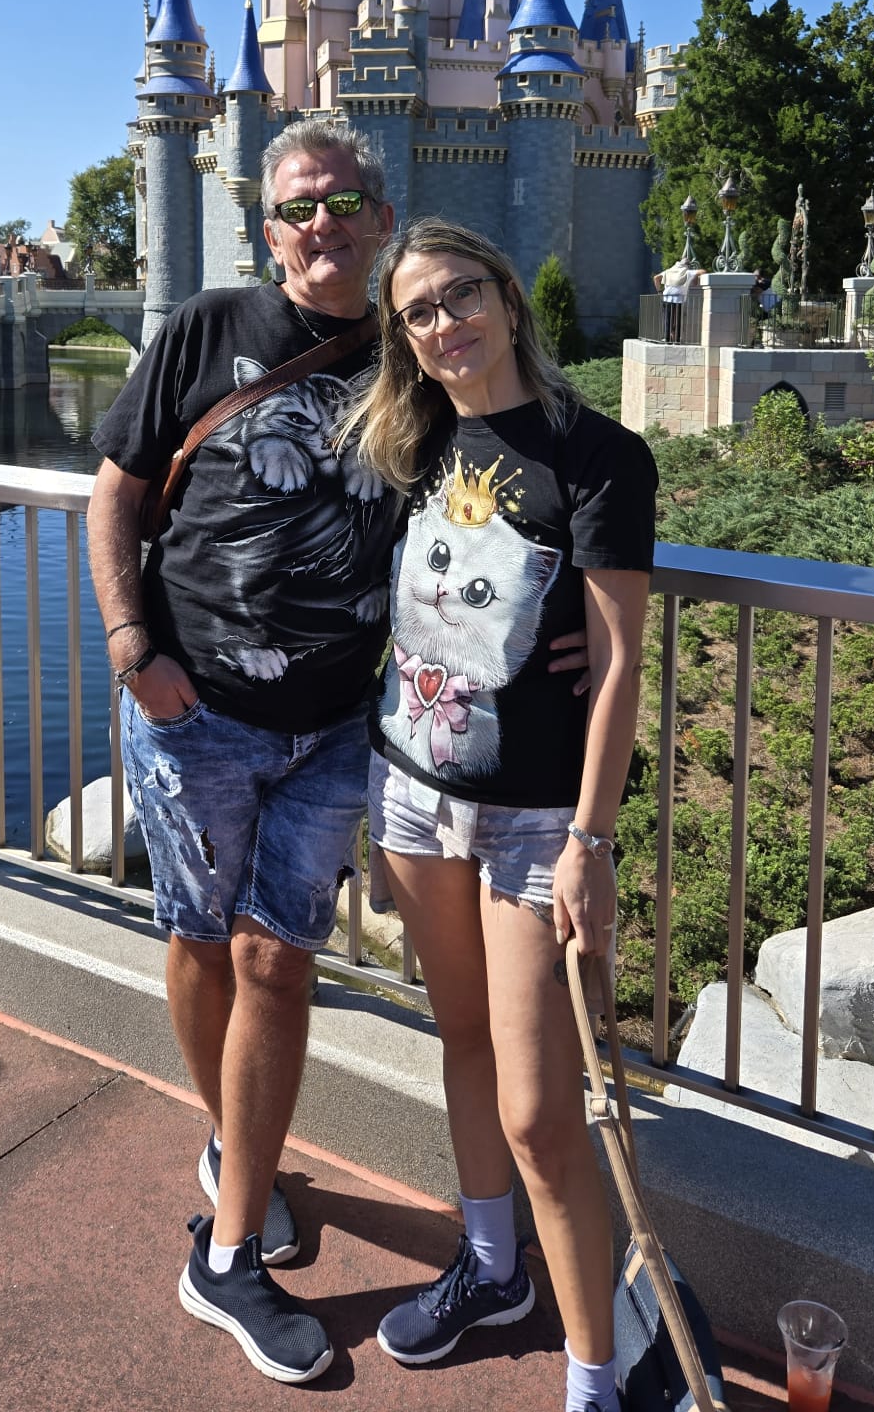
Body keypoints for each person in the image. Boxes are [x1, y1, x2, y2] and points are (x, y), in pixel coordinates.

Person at [85, 123, 585, 1386]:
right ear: (269, 228)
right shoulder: (206, 327)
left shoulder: (408, 357)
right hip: (193, 710)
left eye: (348, 202)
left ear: (383, 216)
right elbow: (116, 488)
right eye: (301, 205)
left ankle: (227, 1243)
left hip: (334, 726)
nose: (325, 224)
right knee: (202, 942)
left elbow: (507, 471)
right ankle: (235, 1152)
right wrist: (133, 644)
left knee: (277, 955)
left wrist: (577, 605)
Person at [344, 217, 657, 1412]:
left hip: (534, 821)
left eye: (460, 294)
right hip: (413, 793)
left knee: (539, 1111)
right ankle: (491, 1263)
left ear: (508, 296)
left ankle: (593, 1375)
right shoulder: (414, 439)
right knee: (461, 1038)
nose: (445, 323)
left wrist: (591, 839)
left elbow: (619, 666)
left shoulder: (598, 454)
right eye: (419, 312)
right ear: (404, 338)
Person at [653, 256, 699, 344]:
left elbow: (656, 278)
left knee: (668, 319)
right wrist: (696, 278)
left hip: (667, 298)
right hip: (678, 299)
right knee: (677, 320)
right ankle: (676, 339)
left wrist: (659, 291)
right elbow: (700, 273)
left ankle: (667, 339)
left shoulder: (669, 271)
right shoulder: (687, 272)